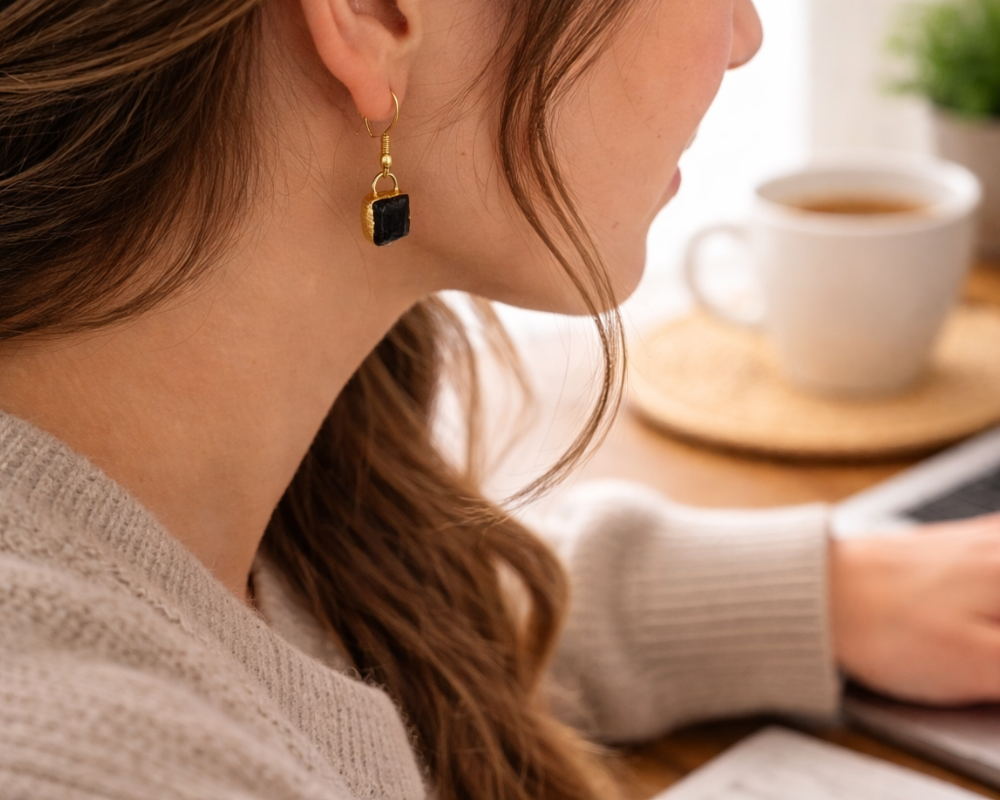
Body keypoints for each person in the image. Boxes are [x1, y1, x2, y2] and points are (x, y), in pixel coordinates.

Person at [3, 0, 1000, 798]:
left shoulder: (230, 475)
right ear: (374, 14)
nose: (744, 37)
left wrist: (821, 593)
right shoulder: (90, 762)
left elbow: (309, 636)